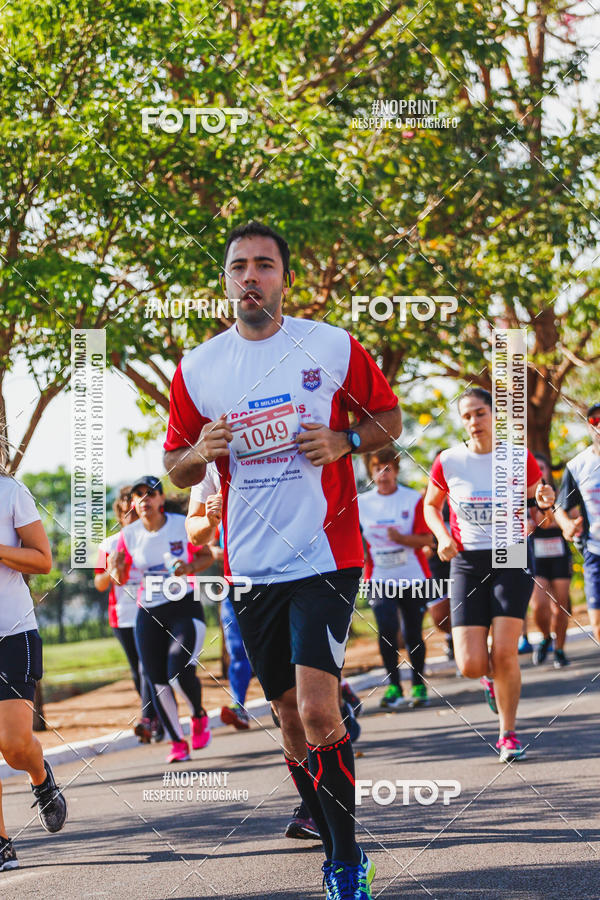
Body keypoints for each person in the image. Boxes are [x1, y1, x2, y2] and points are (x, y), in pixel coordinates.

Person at [164, 220, 402, 899]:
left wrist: (345, 437)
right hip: (252, 567)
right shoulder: (198, 368)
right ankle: (328, 832)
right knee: (289, 719)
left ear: (284, 277)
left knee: (321, 708)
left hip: (328, 553)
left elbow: (389, 417)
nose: (250, 277)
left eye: (264, 265)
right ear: (226, 280)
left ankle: (348, 861)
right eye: (239, 265)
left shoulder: (328, 346)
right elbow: (176, 468)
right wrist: (199, 453)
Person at [423, 387, 554, 763]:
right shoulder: (448, 461)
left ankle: (508, 734)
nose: (473, 422)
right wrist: (443, 535)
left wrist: (542, 505)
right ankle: (488, 679)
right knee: (471, 663)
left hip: (510, 556)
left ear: (493, 416)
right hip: (466, 560)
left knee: (507, 651)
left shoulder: (517, 457)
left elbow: (539, 500)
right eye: (466, 416)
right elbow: (431, 506)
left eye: (480, 413)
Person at [110, 476, 214, 763]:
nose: (144, 500)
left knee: (177, 670)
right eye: (138, 495)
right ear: (133, 503)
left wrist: (189, 566)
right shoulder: (128, 535)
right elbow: (119, 577)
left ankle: (198, 715)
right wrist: (115, 570)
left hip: (184, 605)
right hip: (149, 611)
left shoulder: (181, 523)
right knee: (156, 680)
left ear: (161, 498)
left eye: (150, 494)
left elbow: (206, 556)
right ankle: (178, 743)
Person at [0, 470, 67, 871]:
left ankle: (40, 776)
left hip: (12, 633)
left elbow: (43, 559)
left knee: (13, 745)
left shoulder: (10, 491)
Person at [358, 445, 434, 709]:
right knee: (387, 628)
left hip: (412, 575)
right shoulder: (363, 503)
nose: (383, 473)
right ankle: (393, 685)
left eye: (388, 467)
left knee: (413, 632)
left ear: (397, 470)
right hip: (379, 577)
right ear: (371, 471)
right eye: (377, 468)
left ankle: (418, 685)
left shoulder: (412, 498)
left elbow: (428, 538)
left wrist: (402, 539)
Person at [186, 463, 253, 731]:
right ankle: (240, 706)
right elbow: (203, 540)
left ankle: (337, 692)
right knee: (237, 649)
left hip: (278, 579)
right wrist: (211, 521)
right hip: (233, 585)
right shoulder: (213, 481)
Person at [94, 487, 163, 743]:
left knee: (147, 667)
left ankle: (147, 719)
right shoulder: (109, 544)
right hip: (122, 615)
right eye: (126, 513)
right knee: (138, 672)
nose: (130, 517)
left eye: (133, 511)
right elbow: (100, 583)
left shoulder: (153, 536)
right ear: (120, 514)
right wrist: (113, 569)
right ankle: (157, 717)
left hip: (151, 611)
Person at [554, 403, 600, 648]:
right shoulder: (577, 466)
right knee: (598, 625)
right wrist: (566, 525)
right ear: (588, 426)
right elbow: (559, 507)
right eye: (594, 420)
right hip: (595, 552)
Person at [527, 454, 572, 668]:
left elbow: (570, 517)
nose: (540, 471)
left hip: (559, 554)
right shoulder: (526, 494)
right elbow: (531, 523)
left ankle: (560, 649)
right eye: (536, 468)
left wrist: (564, 521)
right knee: (539, 605)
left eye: (543, 467)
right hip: (536, 556)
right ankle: (545, 636)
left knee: (561, 605)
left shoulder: (562, 492)